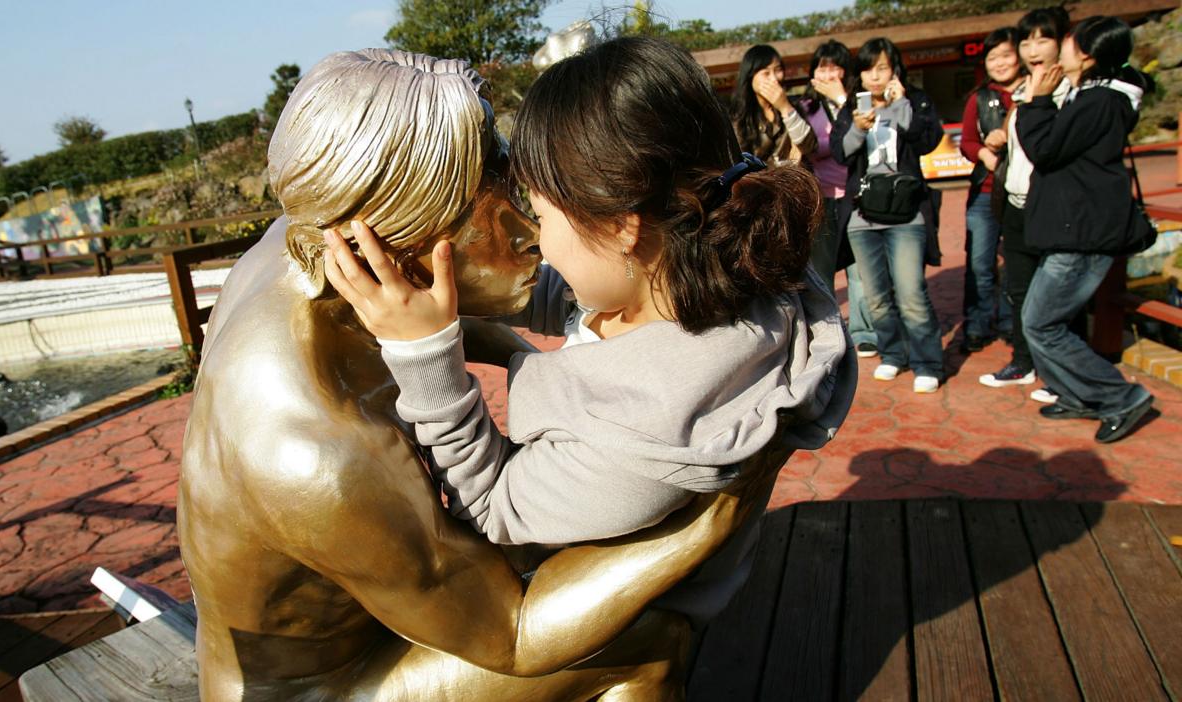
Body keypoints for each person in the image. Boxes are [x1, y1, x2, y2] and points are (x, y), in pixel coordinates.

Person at [181, 48, 791, 701]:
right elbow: (514, 635)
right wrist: (708, 517)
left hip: (394, 599)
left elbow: (416, 322)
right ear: (382, 250)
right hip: (328, 688)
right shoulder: (318, 452)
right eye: (484, 211)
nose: (531, 231)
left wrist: (491, 346)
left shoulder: (310, 231)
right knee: (647, 642)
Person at [324, 36, 855, 612]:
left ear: (625, 228)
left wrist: (424, 356)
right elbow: (580, 301)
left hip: (610, 632)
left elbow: (497, 505)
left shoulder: (652, 428)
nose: (535, 235)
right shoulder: (711, 280)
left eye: (541, 212)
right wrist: (458, 282)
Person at [1017, 16, 1155, 443]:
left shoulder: (1098, 102)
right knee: (1041, 321)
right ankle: (1080, 395)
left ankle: (1121, 397)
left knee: (1041, 324)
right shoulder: (1091, 97)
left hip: (1083, 233)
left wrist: (1036, 102)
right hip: (1075, 228)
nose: (1061, 49)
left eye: (1069, 42)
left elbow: (1043, 148)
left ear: (1089, 55)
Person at [831, 37, 945, 393]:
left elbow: (927, 140)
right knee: (876, 295)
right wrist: (858, 128)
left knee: (911, 292)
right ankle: (893, 354)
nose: (875, 76)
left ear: (895, 68)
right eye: (868, 68)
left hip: (907, 215)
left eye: (882, 67)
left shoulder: (914, 100)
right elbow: (840, 153)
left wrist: (902, 107)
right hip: (864, 217)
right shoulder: (853, 107)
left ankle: (928, 362)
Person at [981, 6, 1073, 397]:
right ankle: (1023, 363)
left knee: (1053, 298)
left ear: (1065, 42)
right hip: (1016, 205)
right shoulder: (1020, 94)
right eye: (1027, 40)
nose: (1033, 49)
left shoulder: (1072, 91)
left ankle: (1059, 375)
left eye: (1043, 38)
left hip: (1052, 207)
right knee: (1018, 289)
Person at [799, 39, 878, 359]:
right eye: (822, 66)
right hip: (823, 198)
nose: (828, 72)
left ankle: (864, 332)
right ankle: (829, 332)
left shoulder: (860, 102)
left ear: (846, 72)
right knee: (823, 269)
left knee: (860, 271)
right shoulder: (806, 108)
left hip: (857, 197)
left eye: (835, 66)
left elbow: (872, 140)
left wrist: (843, 101)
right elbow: (811, 148)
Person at [959, 26, 1023, 353]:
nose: (999, 63)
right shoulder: (979, 98)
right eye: (992, 57)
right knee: (980, 264)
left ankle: (1013, 324)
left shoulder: (1035, 92)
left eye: (1006, 55)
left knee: (1016, 263)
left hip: (1023, 193)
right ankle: (978, 323)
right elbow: (967, 142)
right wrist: (985, 153)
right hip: (985, 192)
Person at [732, 44, 817, 166]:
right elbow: (740, 161)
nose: (774, 79)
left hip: (796, 182)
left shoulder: (793, 108)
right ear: (750, 77)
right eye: (766, 73)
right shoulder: (740, 116)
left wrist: (784, 107)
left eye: (778, 70)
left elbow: (809, 146)